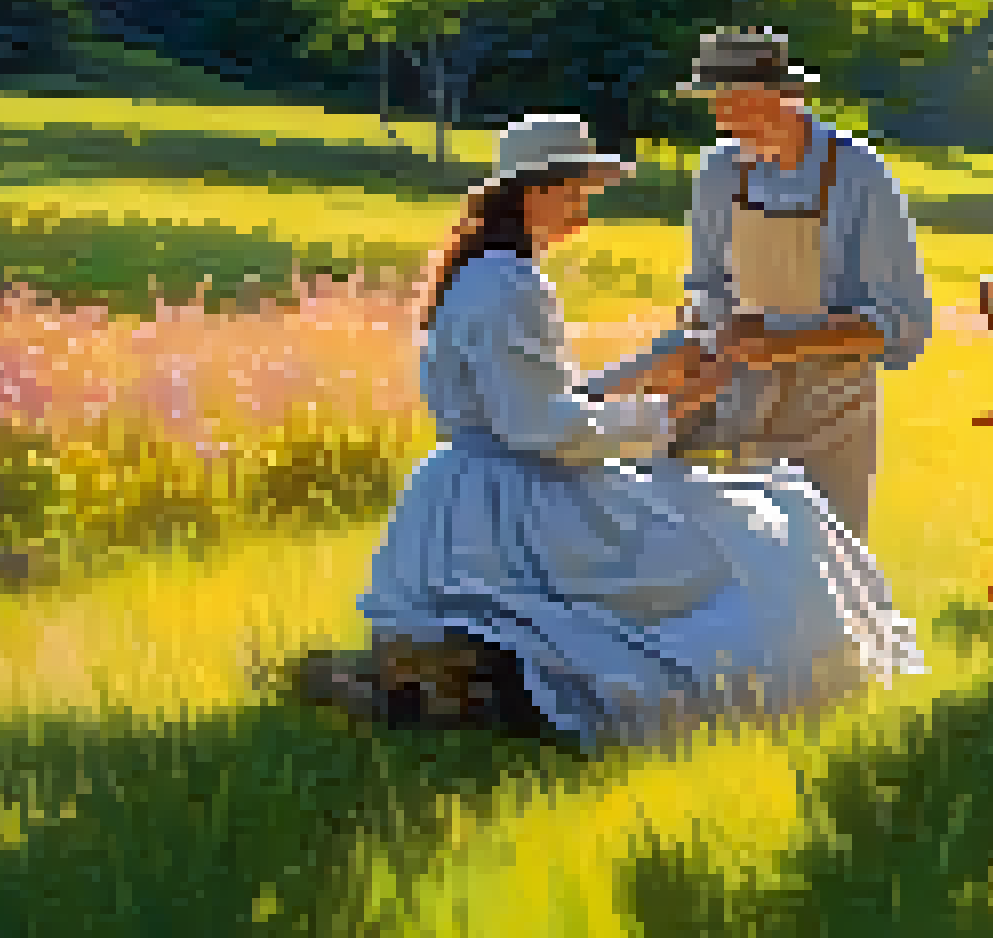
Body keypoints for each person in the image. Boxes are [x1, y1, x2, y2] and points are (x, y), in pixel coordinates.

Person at [352, 115, 927, 744]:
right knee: (760, 530)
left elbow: (538, 404)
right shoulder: (507, 285)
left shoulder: (493, 273)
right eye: (575, 190)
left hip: (492, 488)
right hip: (514, 507)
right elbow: (547, 427)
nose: (584, 206)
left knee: (772, 505)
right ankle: (798, 677)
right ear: (533, 193)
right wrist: (673, 408)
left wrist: (652, 368)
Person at [645, 28, 935, 547]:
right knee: (738, 561)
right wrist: (703, 330)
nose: (724, 119)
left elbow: (902, 320)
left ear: (784, 96)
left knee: (831, 570)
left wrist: (785, 342)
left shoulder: (860, 175)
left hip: (832, 408)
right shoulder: (717, 172)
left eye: (737, 103)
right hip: (740, 396)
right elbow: (704, 286)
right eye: (718, 104)